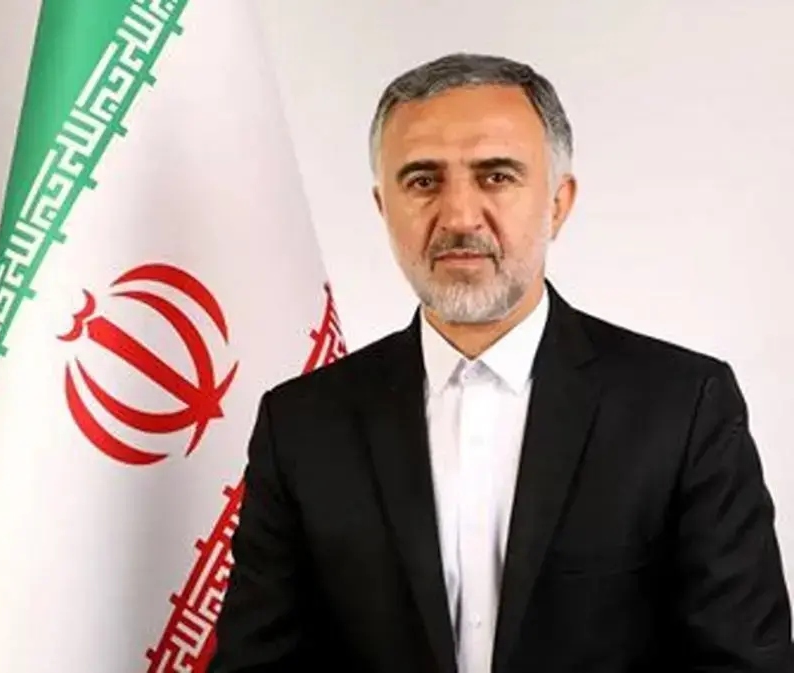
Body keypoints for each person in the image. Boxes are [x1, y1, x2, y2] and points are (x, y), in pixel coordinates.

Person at [209, 53, 793, 672]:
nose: (460, 217)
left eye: (496, 176)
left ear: (558, 203)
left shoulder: (683, 407)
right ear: (384, 208)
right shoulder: (301, 426)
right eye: (423, 181)